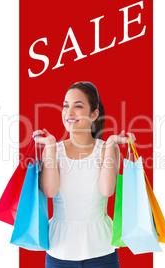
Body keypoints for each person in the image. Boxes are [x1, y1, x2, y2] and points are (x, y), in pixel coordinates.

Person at [32, 81, 136, 268]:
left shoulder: (106, 149)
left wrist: (111, 143)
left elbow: (107, 190)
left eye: (78, 106)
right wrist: (49, 147)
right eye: (66, 106)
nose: (69, 113)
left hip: (102, 252)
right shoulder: (53, 149)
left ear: (94, 114)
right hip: (59, 253)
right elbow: (49, 190)